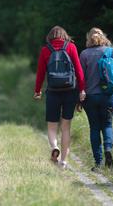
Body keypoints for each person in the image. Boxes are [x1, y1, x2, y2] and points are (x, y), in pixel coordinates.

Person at [33, 26, 86, 168]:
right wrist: (82, 89)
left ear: (50, 37)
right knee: (66, 127)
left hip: (53, 92)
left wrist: (37, 91)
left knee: (52, 126)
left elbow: (40, 73)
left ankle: (54, 147)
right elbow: (79, 70)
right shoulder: (71, 47)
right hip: (70, 91)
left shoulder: (46, 50)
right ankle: (63, 161)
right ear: (64, 36)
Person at [80, 27, 113, 170]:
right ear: (103, 37)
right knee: (107, 125)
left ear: (89, 38)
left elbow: (81, 78)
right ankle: (108, 150)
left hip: (90, 97)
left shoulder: (84, 54)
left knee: (94, 128)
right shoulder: (112, 51)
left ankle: (98, 163)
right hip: (109, 96)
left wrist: (78, 98)